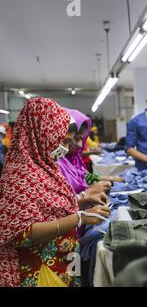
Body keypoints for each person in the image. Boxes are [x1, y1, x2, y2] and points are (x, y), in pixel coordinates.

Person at [0, 98, 110, 287]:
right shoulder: (19, 176)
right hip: (40, 272)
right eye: (62, 141)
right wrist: (79, 218)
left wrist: (82, 201)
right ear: (41, 135)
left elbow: (50, 208)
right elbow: (21, 233)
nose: (66, 148)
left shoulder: (46, 168)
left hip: (63, 264)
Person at [58, 109, 121, 200]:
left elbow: (84, 176)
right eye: (75, 139)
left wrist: (107, 178)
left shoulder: (73, 160)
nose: (80, 145)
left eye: (82, 139)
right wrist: (86, 194)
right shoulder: (58, 163)